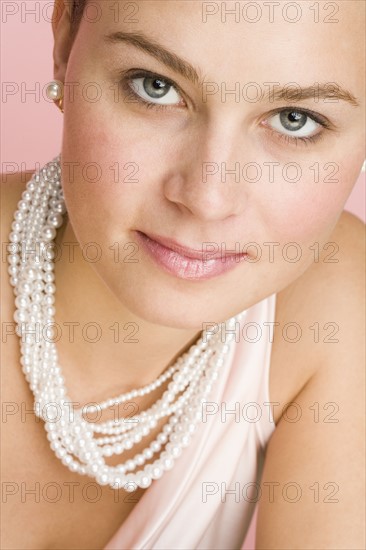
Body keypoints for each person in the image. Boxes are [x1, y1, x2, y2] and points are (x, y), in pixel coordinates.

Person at [1, 0, 365, 548]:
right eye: (154, 85)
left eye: (296, 119)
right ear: (63, 43)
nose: (206, 198)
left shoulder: (335, 300)